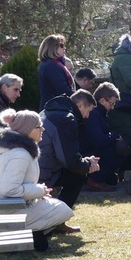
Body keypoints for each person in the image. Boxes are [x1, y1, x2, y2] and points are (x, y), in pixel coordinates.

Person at [0, 109, 73, 251]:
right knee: (62, 210)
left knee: (59, 207)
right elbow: (9, 189)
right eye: (38, 126)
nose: (43, 129)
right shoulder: (20, 154)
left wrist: (39, 191)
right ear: (27, 130)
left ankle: (31, 236)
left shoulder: (18, 151)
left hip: (10, 208)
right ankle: (22, 236)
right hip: (8, 212)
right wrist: (39, 190)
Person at [39, 89, 100, 225]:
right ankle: (56, 221)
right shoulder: (66, 119)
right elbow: (70, 161)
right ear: (80, 105)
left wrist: (85, 162)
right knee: (78, 176)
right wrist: (88, 165)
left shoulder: (49, 112)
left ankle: (56, 221)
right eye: (88, 111)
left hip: (39, 168)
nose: (87, 116)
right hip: (42, 173)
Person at [80, 82, 123, 192]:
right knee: (117, 150)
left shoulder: (98, 113)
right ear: (102, 100)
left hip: (91, 150)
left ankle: (98, 178)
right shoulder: (94, 114)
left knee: (112, 180)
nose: (112, 107)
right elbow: (98, 141)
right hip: (89, 153)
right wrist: (114, 136)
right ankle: (94, 180)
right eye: (111, 104)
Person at [38, 34, 74, 110]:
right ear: (52, 47)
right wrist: (79, 98)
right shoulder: (50, 66)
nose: (64, 48)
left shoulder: (51, 63)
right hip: (54, 109)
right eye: (61, 45)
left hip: (54, 107)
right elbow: (62, 89)